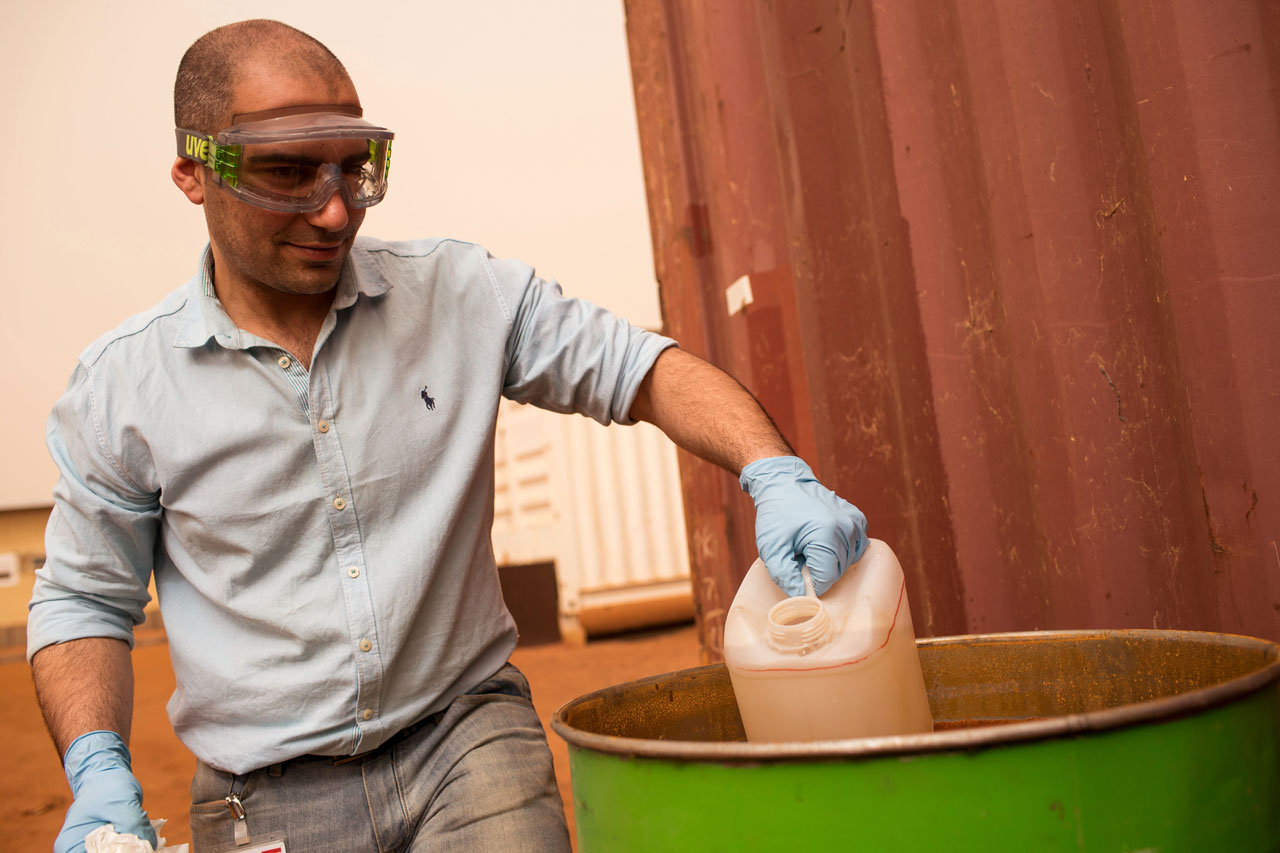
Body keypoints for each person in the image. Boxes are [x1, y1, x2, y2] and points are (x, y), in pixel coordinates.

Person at [28, 19, 867, 853]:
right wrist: (98, 768)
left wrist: (775, 469)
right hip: (267, 797)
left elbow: (641, 370)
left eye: (354, 170)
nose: (331, 210)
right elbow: (84, 598)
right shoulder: (123, 389)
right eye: (287, 173)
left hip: (467, 740)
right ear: (192, 172)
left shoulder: (462, 295)